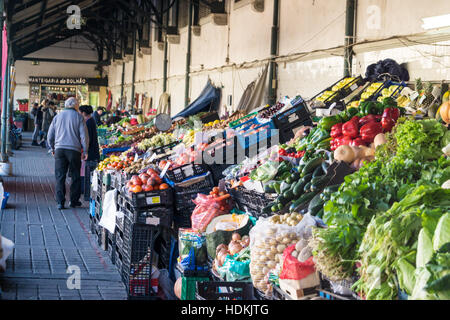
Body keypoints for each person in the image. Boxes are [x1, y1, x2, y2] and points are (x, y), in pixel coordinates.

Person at [47, 97, 89, 210]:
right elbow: (84, 136)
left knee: (60, 176)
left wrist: (52, 148)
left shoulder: (57, 116)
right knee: (75, 176)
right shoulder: (79, 117)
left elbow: (50, 134)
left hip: (59, 150)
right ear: (75, 106)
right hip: (74, 150)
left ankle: (60, 202)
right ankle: (73, 201)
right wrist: (85, 150)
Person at [78, 105, 100, 201]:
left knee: (87, 173)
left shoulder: (88, 122)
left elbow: (88, 139)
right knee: (86, 172)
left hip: (90, 152)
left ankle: (86, 193)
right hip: (92, 151)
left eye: (80, 112)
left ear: (83, 113)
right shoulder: (90, 121)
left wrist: (84, 150)